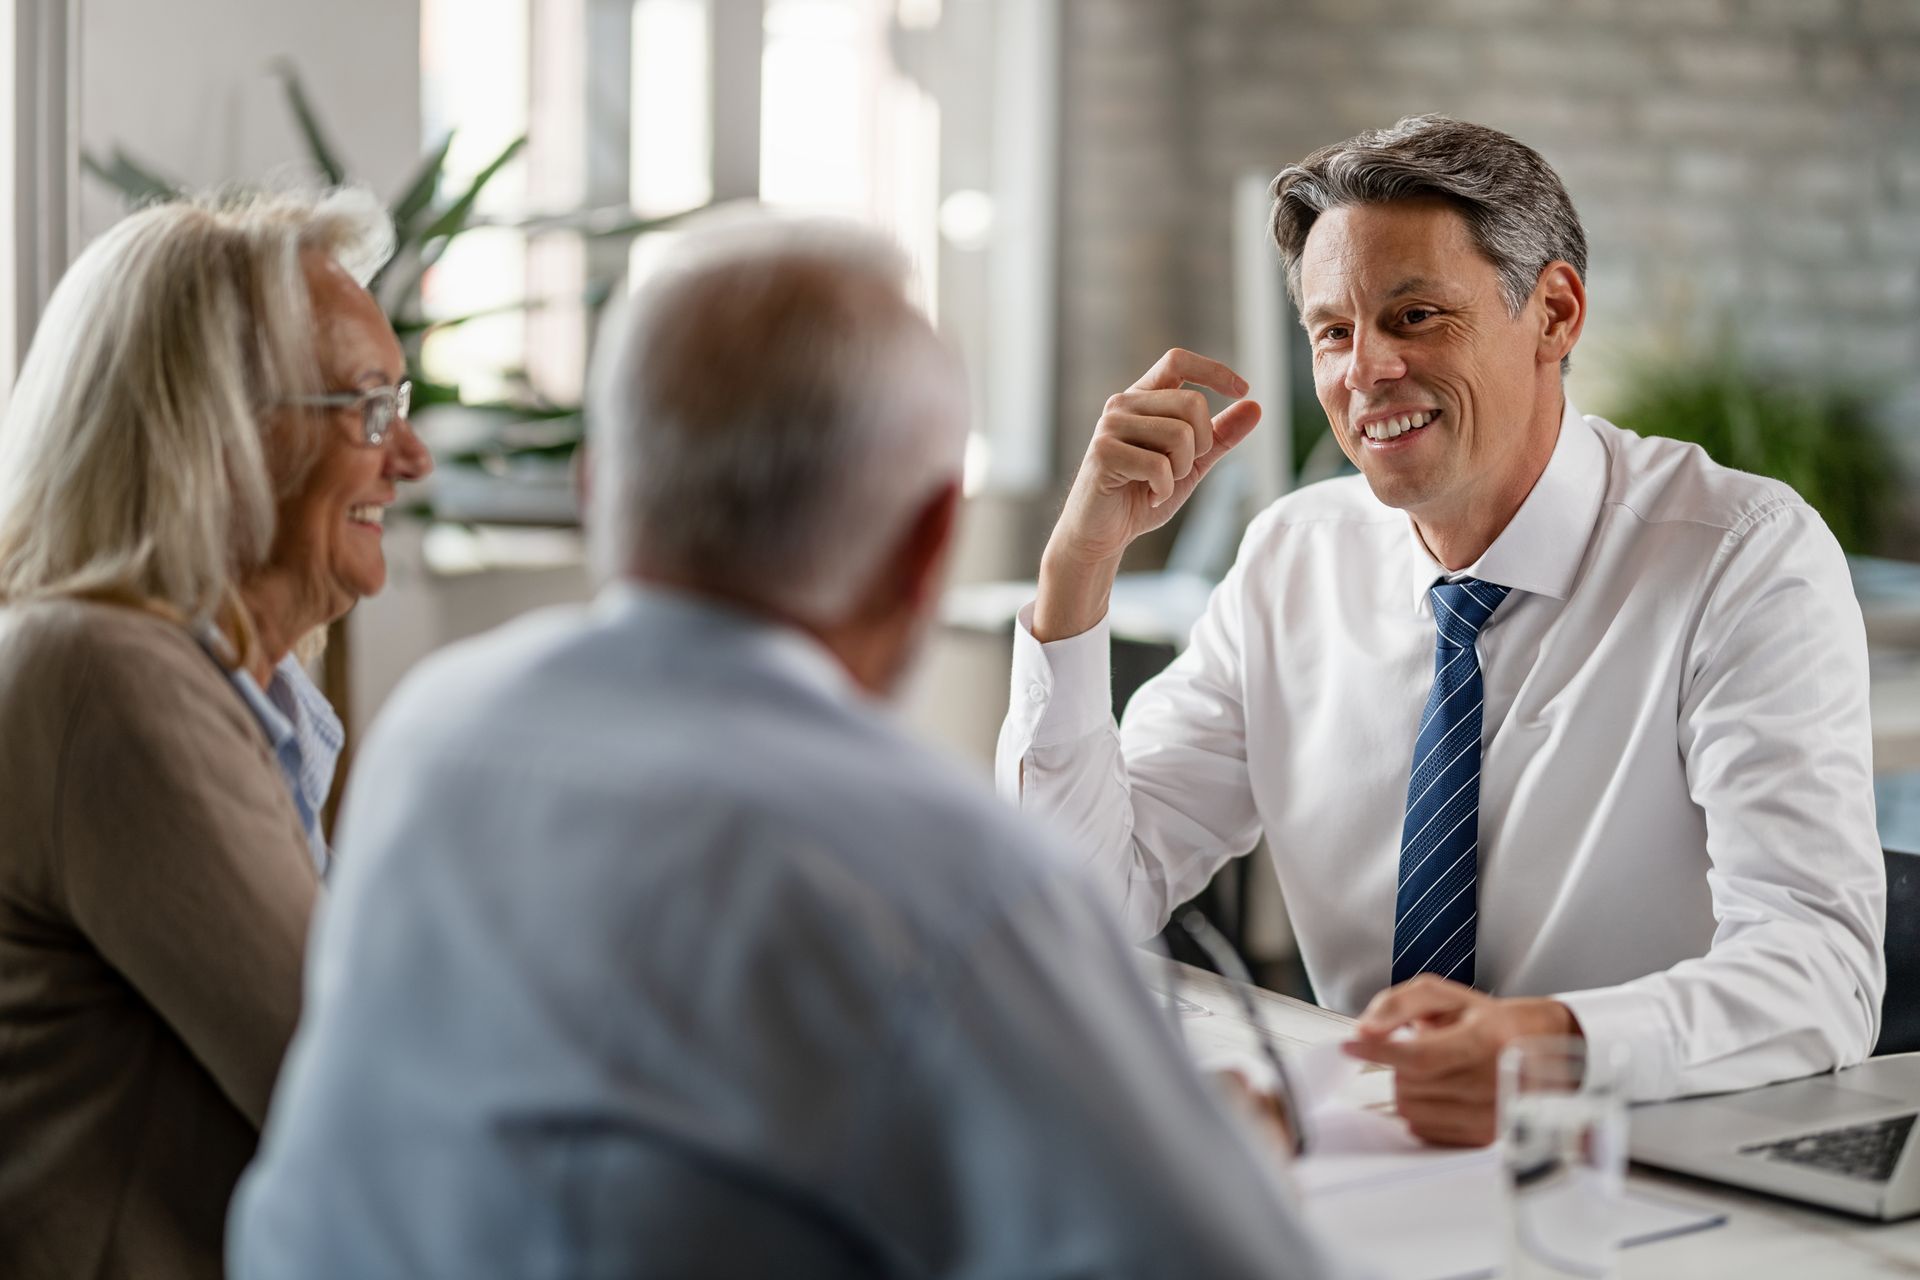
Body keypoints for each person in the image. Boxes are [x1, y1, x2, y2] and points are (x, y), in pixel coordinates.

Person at [229, 217, 1353, 1279]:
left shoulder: (437, 732)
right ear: (926, 551)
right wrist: (1232, 1150)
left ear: (595, 488)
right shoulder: (940, 869)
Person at [998, 115, 1884, 1145]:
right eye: (1333, 331)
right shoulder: (1294, 555)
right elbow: (1074, 896)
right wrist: (1076, 568)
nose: (1364, 371)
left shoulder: (1740, 555)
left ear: (1554, 312)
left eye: (1414, 315)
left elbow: (1820, 965)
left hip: (1636, 1170)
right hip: (1367, 1158)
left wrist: (1554, 1045)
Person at [0, 190, 433, 1278]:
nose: (411, 454)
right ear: (223, 429)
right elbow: (356, 1099)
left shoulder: (219, 683)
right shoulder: (107, 677)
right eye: (370, 407)